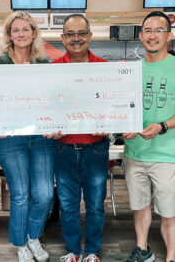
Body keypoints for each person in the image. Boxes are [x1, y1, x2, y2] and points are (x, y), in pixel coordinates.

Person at [122, 11, 175, 262]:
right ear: (141, 35)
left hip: (166, 154)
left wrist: (163, 126)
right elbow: (124, 107)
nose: (152, 35)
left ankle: (171, 258)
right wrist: (124, 126)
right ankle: (142, 249)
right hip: (134, 153)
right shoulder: (131, 70)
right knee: (140, 206)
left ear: (169, 36)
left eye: (158, 30)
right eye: (147, 30)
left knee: (168, 212)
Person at [0, 11, 53, 262]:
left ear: (34, 33)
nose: (20, 34)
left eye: (25, 30)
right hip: (10, 138)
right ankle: (20, 245)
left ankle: (33, 237)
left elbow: (53, 100)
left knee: (45, 193)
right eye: (15, 30)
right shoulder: (0, 64)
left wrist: (56, 123)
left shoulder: (45, 63)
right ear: (9, 35)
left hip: (41, 137)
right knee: (19, 193)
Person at [52, 14, 109, 262]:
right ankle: (74, 251)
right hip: (63, 148)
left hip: (95, 148)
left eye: (81, 34)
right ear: (63, 38)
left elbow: (113, 108)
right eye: (70, 34)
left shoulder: (106, 68)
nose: (76, 39)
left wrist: (111, 123)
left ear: (90, 36)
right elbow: (46, 109)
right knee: (68, 205)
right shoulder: (52, 70)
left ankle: (93, 252)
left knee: (96, 205)